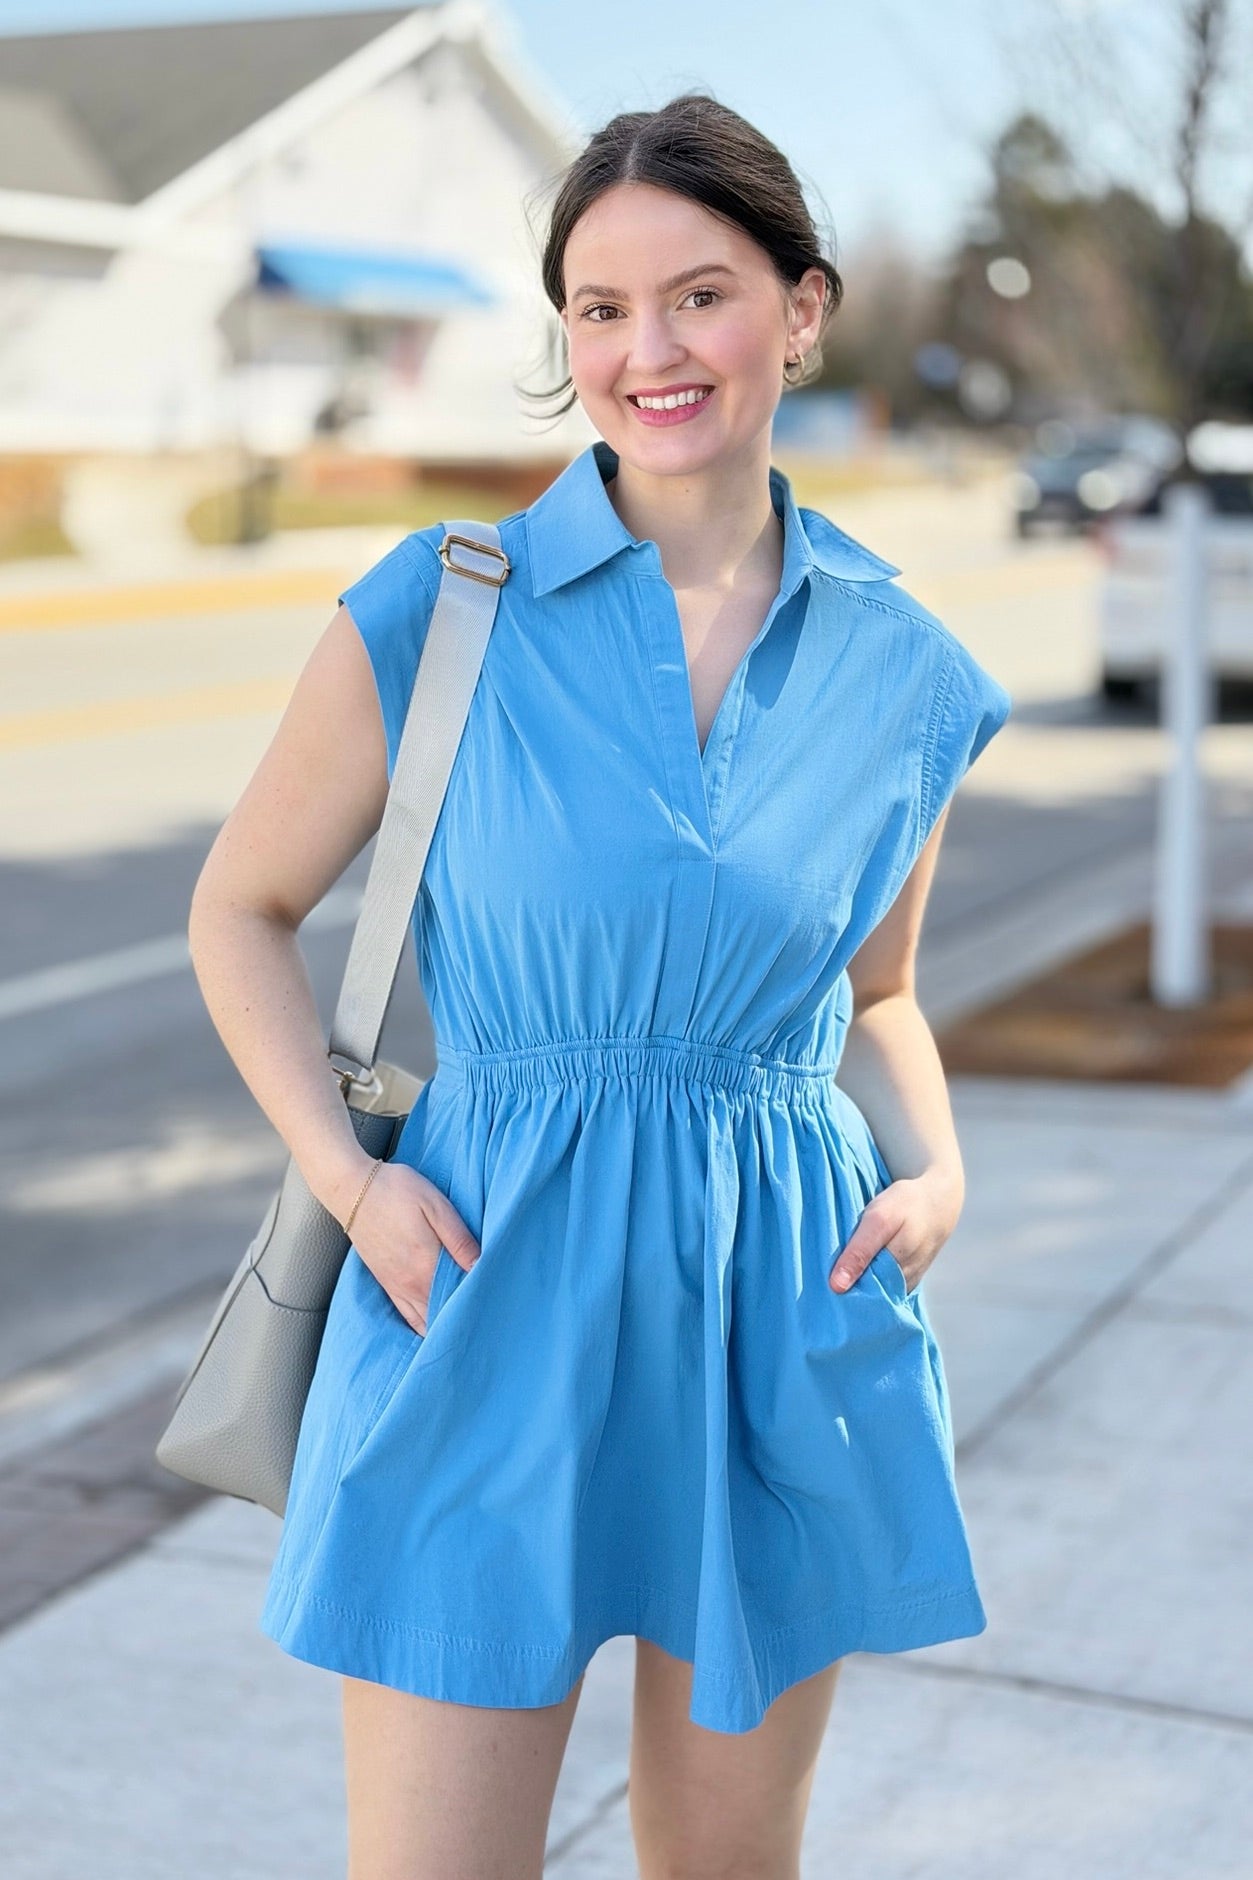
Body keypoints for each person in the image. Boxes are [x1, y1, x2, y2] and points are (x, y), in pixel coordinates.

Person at [187, 90, 1012, 1880]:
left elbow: (877, 995)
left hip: (770, 1306)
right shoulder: (440, 606)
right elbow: (238, 909)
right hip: (480, 1282)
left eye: (701, 295)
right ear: (564, 336)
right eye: (600, 307)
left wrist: (934, 1168)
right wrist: (351, 1182)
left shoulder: (908, 673)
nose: (651, 349)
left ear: (801, 308)